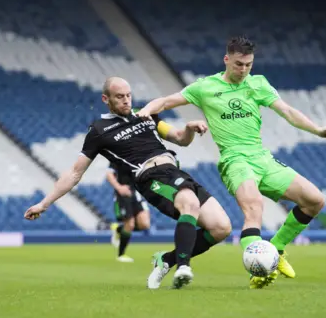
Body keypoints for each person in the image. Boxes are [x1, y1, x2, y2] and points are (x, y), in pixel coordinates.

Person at [137, 36, 326, 289]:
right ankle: (258, 270)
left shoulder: (258, 84)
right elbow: (165, 102)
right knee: (254, 210)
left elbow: (287, 111)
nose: (243, 70)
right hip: (235, 160)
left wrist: (318, 131)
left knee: (315, 200)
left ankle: (275, 250)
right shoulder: (205, 87)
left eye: (248, 65)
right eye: (239, 64)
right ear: (226, 60)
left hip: (263, 158)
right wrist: (146, 111)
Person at [24, 77, 232, 289]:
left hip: (175, 171)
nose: (126, 101)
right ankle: (183, 268)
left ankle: (167, 261)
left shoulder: (146, 115)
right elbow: (75, 172)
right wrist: (44, 204)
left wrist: (189, 128)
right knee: (190, 203)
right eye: (119, 97)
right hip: (150, 177)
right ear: (106, 99)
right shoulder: (99, 130)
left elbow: (180, 139)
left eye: (128, 95)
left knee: (221, 228)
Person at [107, 162, 151, 263]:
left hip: (137, 192)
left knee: (145, 224)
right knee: (130, 224)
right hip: (124, 192)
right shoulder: (117, 156)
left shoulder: (140, 156)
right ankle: (121, 255)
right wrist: (119, 187)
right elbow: (109, 174)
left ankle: (119, 229)